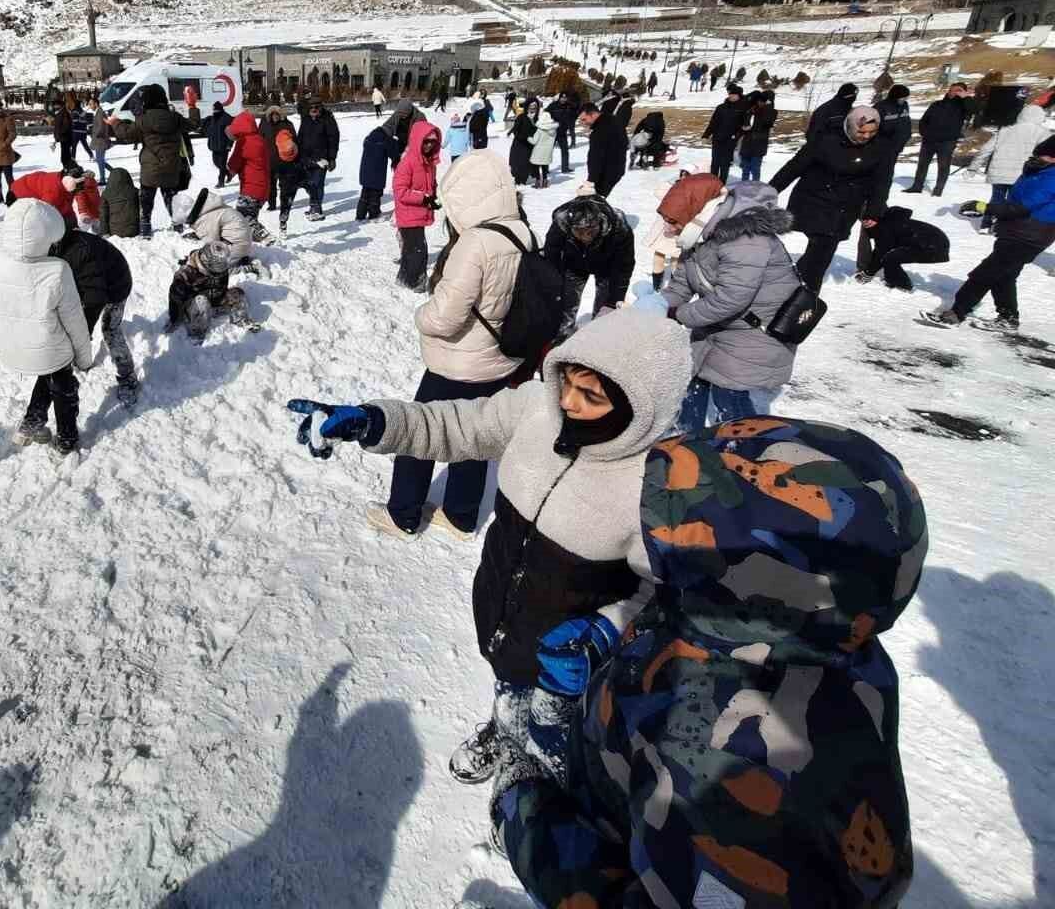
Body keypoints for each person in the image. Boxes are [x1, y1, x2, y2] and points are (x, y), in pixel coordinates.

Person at [491, 418, 925, 909]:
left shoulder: (736, 769)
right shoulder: (815, 629)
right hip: (623, 806)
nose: (653, 534)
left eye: (685, 531)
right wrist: (615, 636)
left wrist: (527, 821)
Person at [287, 304, 691, 791]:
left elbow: (664, 592)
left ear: (636, 408)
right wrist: (374, 423)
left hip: (575, 653)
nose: (568, 402)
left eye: (591, 396)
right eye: (567, 382)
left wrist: (608, 631)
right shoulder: (536, 410)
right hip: (506, 606)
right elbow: (457, 425)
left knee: (563, 731)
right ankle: (505, 732)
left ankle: (544, 796)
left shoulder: (657, 485)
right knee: (509, 681)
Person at [384, 148, 532, 537]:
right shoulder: (523, 231)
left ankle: (403, 515)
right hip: (500, 359)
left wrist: (421, 315)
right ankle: (461, 516)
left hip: (459, 363)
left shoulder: (476, 242)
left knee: (419, 432)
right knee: (476, 437)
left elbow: (445, 318)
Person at [660, 181, 801, 431]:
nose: (668, 230)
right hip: (722, 327)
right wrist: (657, 306)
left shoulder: (746, 240)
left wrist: (679, 314)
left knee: (730, 397)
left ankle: (745, 451)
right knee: (693, 381)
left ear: (696, 213)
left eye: (673, 221)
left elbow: (730, 298)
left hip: (755, 333)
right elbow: (682, 283)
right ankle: (686, 441)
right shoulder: (700, 236)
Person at [0, 198, 93, 454]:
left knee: (47, 367)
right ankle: (67, 439)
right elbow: (74, 320)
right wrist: (84, 358)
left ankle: (31, 423)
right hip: (48, 349)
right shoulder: (56, 270)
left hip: (13, 350)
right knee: (63, 385)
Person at [922, 135, 1055, 332]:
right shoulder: (1036, 171)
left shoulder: (1051, 177)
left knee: (985, 274)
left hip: (1030, 235)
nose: (1039, 157)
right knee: (1005, 275)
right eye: (1039, 153)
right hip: (1016, 231)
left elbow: (1023, 206)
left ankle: (956, 313)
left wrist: (987, 208)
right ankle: (1008, 318)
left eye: (1046, 155)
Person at [770, 105, 887, 295]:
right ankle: (803, 297)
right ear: (850, 125)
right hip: (814, 201)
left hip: (845, 207)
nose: (866, 136)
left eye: (872, 132)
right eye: (861, 131)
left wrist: (874, 209)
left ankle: (792, 290)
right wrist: (770, 190)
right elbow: (795, 167)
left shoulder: (880, 148)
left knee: (820, 253)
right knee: (820, 253)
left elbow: (882, 181)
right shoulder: (825, 140)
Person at [52, 225, 139, 406]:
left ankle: (128, 377)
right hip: (90, 282)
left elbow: (94, 300)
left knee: (110, 328)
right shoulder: (53, 244)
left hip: (115, 284)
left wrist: (83, 335)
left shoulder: (79, 252)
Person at [544, 195, 634, 335]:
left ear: (599, 223)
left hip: (607, 267)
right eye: (579, 232)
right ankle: (562, 334)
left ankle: (596, 336)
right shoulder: (561, 223)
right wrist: (554, 283)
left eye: (591, 231)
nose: (586, 237)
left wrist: (615, 299)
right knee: (565, 303)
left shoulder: (618, 227)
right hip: (574, 264)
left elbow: (624, 266)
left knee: (605, 310)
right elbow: (551, 253)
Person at [110, 84, 188, 235]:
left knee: (146, 199)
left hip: (150, 168)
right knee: (171, 197)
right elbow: (194, 124)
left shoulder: (143, 119)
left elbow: (126, 134)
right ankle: (178, 226)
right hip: (171, 167)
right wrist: (192, 105)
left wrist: (116, 123)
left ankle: (145, 226)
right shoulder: (175, 117)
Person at [969, 98, 1050, 218]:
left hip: (999, 172)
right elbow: (1047, 155)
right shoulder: (1043, 133)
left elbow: (985, 149)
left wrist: (973, 167)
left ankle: (987, 223)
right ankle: (1007, 224)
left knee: (997, 198)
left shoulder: (1005, 130)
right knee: (1017, 201)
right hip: (1023, 173)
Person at [167, 240, 255, 341]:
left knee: (237, 293)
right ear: (206, 261)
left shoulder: (220, 265)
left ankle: (240, 320)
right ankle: (197, 332)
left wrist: (250, 268)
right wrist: (174, 319)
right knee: (202, 301)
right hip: (195, 310)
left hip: (215, 300)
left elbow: (233, 269)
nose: (221, 269)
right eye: (218, 266)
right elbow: (175, 298)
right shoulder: (186, 273)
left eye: (222, 265)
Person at [394, 120, 443, 291]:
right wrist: (424, 199)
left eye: (433, 142)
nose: (429, 145)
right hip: (408, 214)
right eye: (426, 141)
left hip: (419, 213)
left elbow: (431, 185)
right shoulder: (407, 163)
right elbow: (400, 191)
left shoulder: (429, 163)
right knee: (418, 250)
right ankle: (416, 281)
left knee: (412, 249)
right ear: (417, 140)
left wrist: (433, 198)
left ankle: (405, 278)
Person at [858, 205, 949, 291]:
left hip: (934, 247)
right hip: (933, 243)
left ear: (876, 219)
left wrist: (868, 273)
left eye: (869, 220)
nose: (866, 222)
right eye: (864, 220)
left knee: (889, 258)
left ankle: (903, 285)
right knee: (891, 256)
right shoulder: (889, 222)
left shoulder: (884, 228)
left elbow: (880, 253)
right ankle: (894, 280)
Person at [907, 81, 971, 196]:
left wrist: (966, 98)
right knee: (922, 164)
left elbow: (974, 109)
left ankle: (938, 190)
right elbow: (924, 119)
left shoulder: (963, 106)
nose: (953, 92)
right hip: (929, 140)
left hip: (947, 141)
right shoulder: (937, 104)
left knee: (943, 166)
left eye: (957, 90)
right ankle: (917, 186)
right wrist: (924, 132)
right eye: (952, 90)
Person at [226, 108, 275, 240]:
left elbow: (234, 163)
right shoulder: (260, 139)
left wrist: (229, 172)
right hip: (262, 188)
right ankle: (255, 248)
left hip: (251, 189)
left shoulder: (244, 141)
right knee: (248, 220)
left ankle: (266, 239)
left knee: (243, 220)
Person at [173, 186, 255, 262]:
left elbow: (210, 243)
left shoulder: (205, 219)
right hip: (240, 242)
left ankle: (244, 267)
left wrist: (194, 259)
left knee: (206, 264)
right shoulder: (208, 208)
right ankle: (238, 258)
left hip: (237, 246)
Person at [297, 98, 340, 221]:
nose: (314, 109)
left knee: (318, 183)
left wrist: (332, 158)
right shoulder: (306, 119)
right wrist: (298, 154)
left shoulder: (328, 119)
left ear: (321, 107)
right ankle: (313, 206)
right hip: (307, 158)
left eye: (316, 107)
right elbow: (301, 137)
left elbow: (334, 139)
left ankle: (316, 208)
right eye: (311, 107)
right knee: (310, 183)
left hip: (322, 158)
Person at [265, 106, 305, 235]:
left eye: (277, 114)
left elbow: (295, 141)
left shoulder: (287, 125)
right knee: (270, 184)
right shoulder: (265, 125)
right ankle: (271, 204)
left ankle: (283, 204)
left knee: (284, 186)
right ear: (270, 116)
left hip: (286, 162)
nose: (275, 117)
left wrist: (295, 156)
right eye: (273, 115)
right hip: (270, 160)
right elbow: (261, 139)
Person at [8, 168, 86, 226]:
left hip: (32, 185)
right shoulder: (52, 192)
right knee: (31, 222)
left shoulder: (64, 184)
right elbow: (46, 213)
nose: (76, 193)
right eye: (76, 190)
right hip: (18, 193)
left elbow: (68, 208)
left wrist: (74, 225)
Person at [582, 101, 628, 199]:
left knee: (595, 202)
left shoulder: (599, 131)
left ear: (593, 114)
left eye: (584, 119)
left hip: (605, 173)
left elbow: (596, 157)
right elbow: (625, 143)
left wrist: (591, 180)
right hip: (616, 169)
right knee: (598, 200)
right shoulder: (614, 121)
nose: (583, 123)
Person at [702, 83, 745, 182]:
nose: (731, 96)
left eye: (734, 94)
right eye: (730, 94)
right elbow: (713, 122)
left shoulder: (742, 109)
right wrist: (706, 135)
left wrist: (736, 136)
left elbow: (744, 126)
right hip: (717, 138)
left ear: (739, 96)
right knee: (715, 162)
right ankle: (712, 183)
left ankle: (721, 183)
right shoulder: (721, 107)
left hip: (730, 140)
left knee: (725, 163)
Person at [736, 88, 776, 182]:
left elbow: (767, 122)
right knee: (745, 169)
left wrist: (768, 106)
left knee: (755, 170)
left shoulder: (771, 111)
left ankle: (755, 188)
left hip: (758, 146)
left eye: (763, 101)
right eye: (759, 100)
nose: (760, 102)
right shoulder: (751, 110)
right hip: (747, 143)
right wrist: (744, 126)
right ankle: (744, 187)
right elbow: (745, 121)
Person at [358, 119, 394, 221]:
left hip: (365, 171)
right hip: (377, 172)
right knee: (375, 194)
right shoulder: (386, 140)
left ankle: (360, 215)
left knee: (365, 193)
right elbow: (394, 154)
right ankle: (374, 214)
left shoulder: (369, 137)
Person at [100, 168, 141, 238]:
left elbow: (103, 215)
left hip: (115, 231)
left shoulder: (106, 194)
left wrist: (105, 232)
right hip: (134, 229)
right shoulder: (135, 191)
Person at [527, 108, 558, 191]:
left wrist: (528, 137)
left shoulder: (540, 130)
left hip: (538, 151)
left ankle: (537, 181)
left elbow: (534, 141)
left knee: (536, 166)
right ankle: (545, 181)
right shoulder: (554, 130)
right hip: (547, 151)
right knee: (545, 166)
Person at [507, 102, 536, 187]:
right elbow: (516, 130)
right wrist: (522, 137)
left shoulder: (537, 119)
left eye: (534, 108)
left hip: (529, 145)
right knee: (516, 163)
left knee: (526, 163)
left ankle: (523, 180)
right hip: (519, 143)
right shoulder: (521, 117)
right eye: (530, 107)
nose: (532, 109)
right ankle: (516, 179)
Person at [548, 98, 577, 173]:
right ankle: (546, 169)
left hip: (562, 132)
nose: (563, 99)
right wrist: (551, 121)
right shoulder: (553, 105)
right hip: (553, 131)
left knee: (565, 150)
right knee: (548, 151)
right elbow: (546, 114)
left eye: (565, 98)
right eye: (562, 97)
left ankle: (565, 168)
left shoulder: (568, 106)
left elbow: (575, 112)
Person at [89, 102, 113, 186]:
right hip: (99, 140)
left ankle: (103, 179)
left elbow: (101, 127)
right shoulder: (99, 112)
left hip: (100, 140)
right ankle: (113, 172)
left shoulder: (100, 113)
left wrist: (94, 134)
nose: (90, 106)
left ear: (96, 104)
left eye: (91, 104)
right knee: (100, 160)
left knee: (100, 160)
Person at [52, 98, 76, 169]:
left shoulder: (63, 113)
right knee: (65, 156)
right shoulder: (61, 113)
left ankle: (68, 170)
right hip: (64, 138)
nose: (54, 107)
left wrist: (60, 134)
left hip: (65, 138)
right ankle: (67, 169)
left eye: (55, 105)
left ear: (58, 105)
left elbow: (66, 125)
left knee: (65, 157)